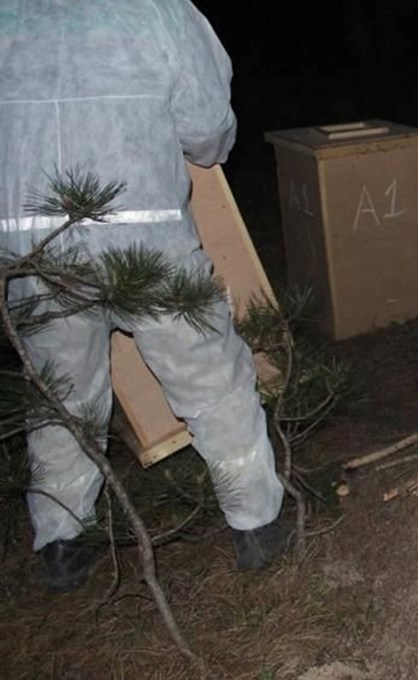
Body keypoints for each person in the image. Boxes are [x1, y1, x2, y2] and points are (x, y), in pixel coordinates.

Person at [0, 0, 286, 590]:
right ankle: (257, 524)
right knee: (212, 380)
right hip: (143, 229)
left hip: (30, 245)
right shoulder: (158, 9)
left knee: (60, 397)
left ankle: (60, 545)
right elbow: (208, 131)